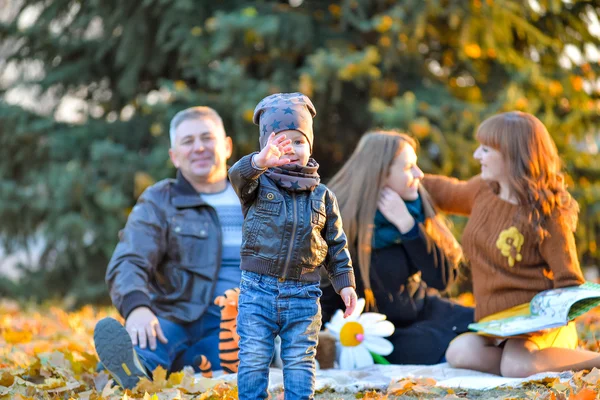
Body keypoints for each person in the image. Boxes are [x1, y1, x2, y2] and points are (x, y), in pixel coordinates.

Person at [423, 111, 600, 377]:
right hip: (496, 325)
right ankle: (518, 365)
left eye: (485, 149)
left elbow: (569, 285)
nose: (476, 156)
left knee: (517, 363)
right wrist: (403, 173)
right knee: (458, 353)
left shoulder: (548, 213)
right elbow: (445, 191)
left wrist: (540, 322)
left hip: (539, 327)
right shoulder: (482, 190)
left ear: (512, 156)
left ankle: (588, 360)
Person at [93, 106, 244, 389]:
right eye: (187, 142)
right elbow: (129, 258)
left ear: (226, 146)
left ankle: (177, 367)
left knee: (227, 362)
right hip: (175, 311)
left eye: (207, 138)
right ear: (174, 156)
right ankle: (129, 373)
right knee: (150, 341)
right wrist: (136, 306)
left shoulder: (255, 198)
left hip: (235, 321)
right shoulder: (160, 200)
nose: (199, 148)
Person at [228, 92, 358, 400]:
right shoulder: (258, 186)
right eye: (281, 143)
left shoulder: (323, 196)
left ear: (309, 147)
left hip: (303, 294)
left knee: (300, 358)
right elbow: (236, 177)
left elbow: (336, 245)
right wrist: (259, 163)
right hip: (257, 290)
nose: (291, 150)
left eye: (299, 142)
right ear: (266, 148)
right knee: (254, 356)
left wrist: (345, 283)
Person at [321, 131, 474, 365]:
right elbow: (325, 295)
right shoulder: (341, 221)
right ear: (381, 175)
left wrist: (409, 227)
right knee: (438, 344)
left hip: (424, 311)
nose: (419, 174)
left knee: (480, 323)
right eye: (409, 167)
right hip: (380, 331)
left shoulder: (415, 206)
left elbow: (442, 280)